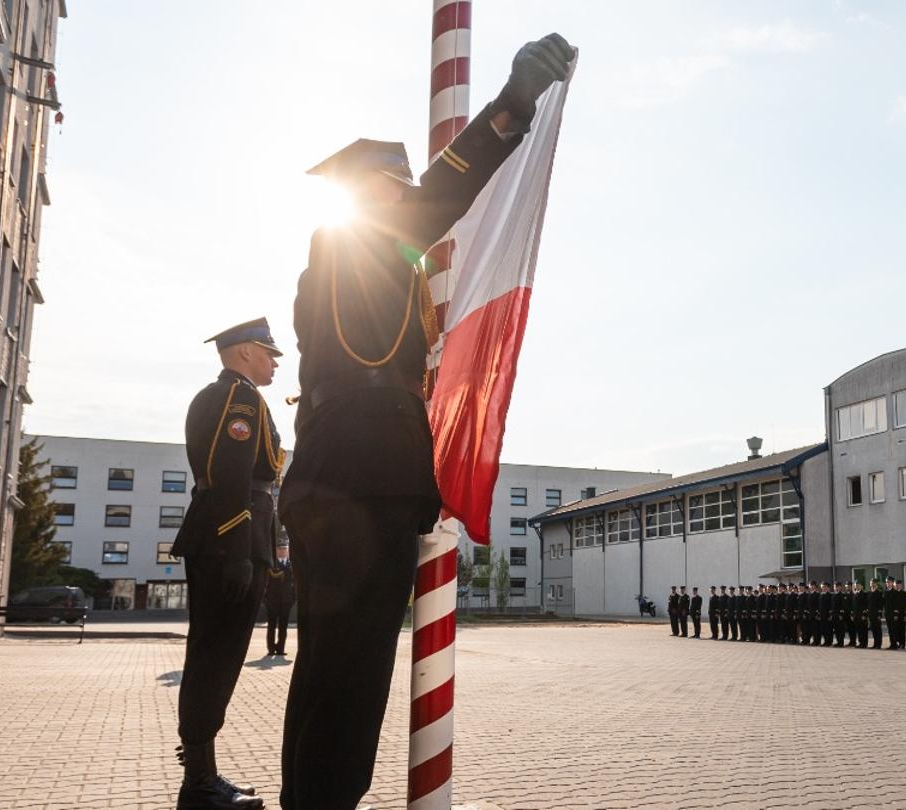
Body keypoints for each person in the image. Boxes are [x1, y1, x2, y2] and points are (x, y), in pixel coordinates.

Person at [277, 34, 575, 809]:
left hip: (330, 479)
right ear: (373, 194)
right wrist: (513, 103)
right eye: (396, 188)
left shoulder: (348, 266)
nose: (410, 201)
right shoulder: (360, 246)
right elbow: (444, 194)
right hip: (363, 487)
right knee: (352, 680)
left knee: (325, 673)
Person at [173, 318, 285, 810]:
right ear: (243, 353)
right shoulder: (241, 399)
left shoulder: (216, 395)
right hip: (230, 540)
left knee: (211, 656)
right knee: (216, 657)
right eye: (268, 352)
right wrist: (239, 548)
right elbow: (231, 474)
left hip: (224, 537)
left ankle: (202, 776)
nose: (275, 362)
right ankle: (199, 785)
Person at [265, 548, 294, 659]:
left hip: (286, 600)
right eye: (280, 549)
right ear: (276, 551)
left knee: (283, 626)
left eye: (284, 549)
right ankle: (271, 649)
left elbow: (294, 583)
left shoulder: (291, 564)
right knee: (271, 625)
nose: (282, 551)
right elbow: (266, 582)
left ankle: (281, 648)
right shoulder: (271, 564)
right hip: (272, 600)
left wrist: (293, 598)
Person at [885, 577, 906, 650]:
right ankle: (893, 644)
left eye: (889, 582)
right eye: (887, 582)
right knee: (891, 630)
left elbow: (900, 605)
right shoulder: (886, 592)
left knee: (900, 630)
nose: (887, 584)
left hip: (898, 614)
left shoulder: (897, 593)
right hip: (888, 614)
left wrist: (898, 614)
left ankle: (902, 643)